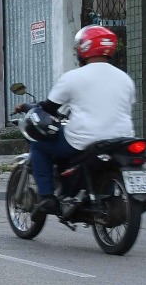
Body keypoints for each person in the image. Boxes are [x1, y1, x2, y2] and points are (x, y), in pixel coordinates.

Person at [26, 25, 135, 218]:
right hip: (122, 138)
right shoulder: (125, 78)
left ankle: (47, 196)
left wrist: (30, 107)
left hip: (84, 140)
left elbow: (49, 108)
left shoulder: (73, 77)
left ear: (83, 48)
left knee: (39, 144)